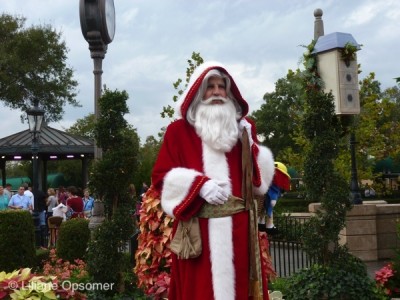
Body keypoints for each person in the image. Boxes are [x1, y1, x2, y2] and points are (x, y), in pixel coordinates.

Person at [151, 61, 275, 300]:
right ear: (198, 92)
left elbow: (259, 184)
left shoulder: (243, 130)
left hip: (240, 233)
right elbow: (161, 177)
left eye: (222, 86)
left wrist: (250, 145)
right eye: (210, 87)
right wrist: (198, 185)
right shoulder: (177, 131)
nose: (217, 92)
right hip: (198, 232)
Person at [260, 162, 291, 235]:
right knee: (268, 212)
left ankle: (262, 223)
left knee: (264, 211)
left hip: (264, 199)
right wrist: (273, 199)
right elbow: (273, 193)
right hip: (268, 200)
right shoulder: (274, 185)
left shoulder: (270, 183)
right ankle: (268, 225)